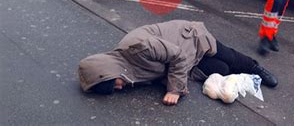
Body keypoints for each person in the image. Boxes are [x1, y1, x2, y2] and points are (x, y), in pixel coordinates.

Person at [78, 20, 278, 105]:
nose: (119, 88)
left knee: (229, 57)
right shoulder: (126, 70)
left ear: (110, 71)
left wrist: (174, 90)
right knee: (222, 69)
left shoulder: (137, 47)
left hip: (190, 39)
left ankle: (255, 68)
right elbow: (155, 73)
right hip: (185, 61)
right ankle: (240, 72)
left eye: (115, 84)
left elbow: (179, 56)